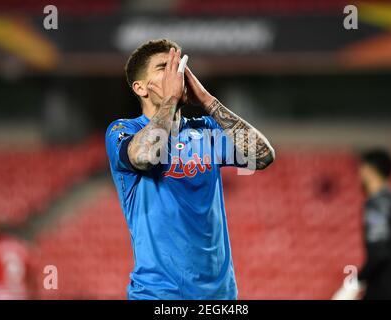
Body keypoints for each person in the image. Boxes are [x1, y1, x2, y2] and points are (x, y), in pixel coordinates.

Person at [105, 39, 275, 299]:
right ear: (140, 88)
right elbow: (145, 155)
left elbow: (262, 156)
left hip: (219, 296)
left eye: (180, 66)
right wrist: (171, 98)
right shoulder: (124, 130)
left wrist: (207, 100)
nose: (178, 73)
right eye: (165, 67)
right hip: (157, 293)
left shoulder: (205, 130)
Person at [333, 148, 391, 299]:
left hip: (384, 289)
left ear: (369, 171)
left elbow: (379, 253)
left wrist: (353, 285)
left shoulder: (377, 204)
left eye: (361, 169)